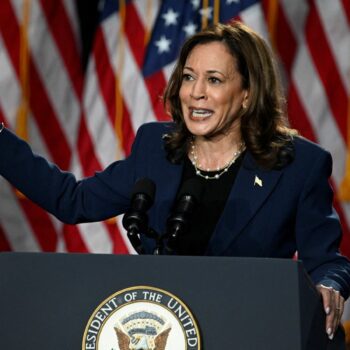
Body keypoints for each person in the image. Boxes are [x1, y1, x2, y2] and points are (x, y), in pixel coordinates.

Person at [0, 21, 349, 343]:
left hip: (246, 333)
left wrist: (330, 284)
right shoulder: (157, 148)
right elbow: (72, 201)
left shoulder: (297, 165)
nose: (195, 93)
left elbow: (327, 261)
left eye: (213, 80)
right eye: (187, 77)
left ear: (246, 93)